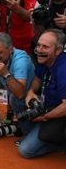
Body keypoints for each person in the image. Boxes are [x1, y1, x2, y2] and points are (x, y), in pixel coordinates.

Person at [18, 29, 66, 158]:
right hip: (49, 106)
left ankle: (60, 143)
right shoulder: (45, 59)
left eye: (45, 47)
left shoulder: (63, 69)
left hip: (61, 112)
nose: (39, 50)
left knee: (25, 150)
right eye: (39, 45)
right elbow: (37, 78)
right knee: (17, 98)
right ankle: (40, 133)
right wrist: (31, 92)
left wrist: (45, 117)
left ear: (58, 50)